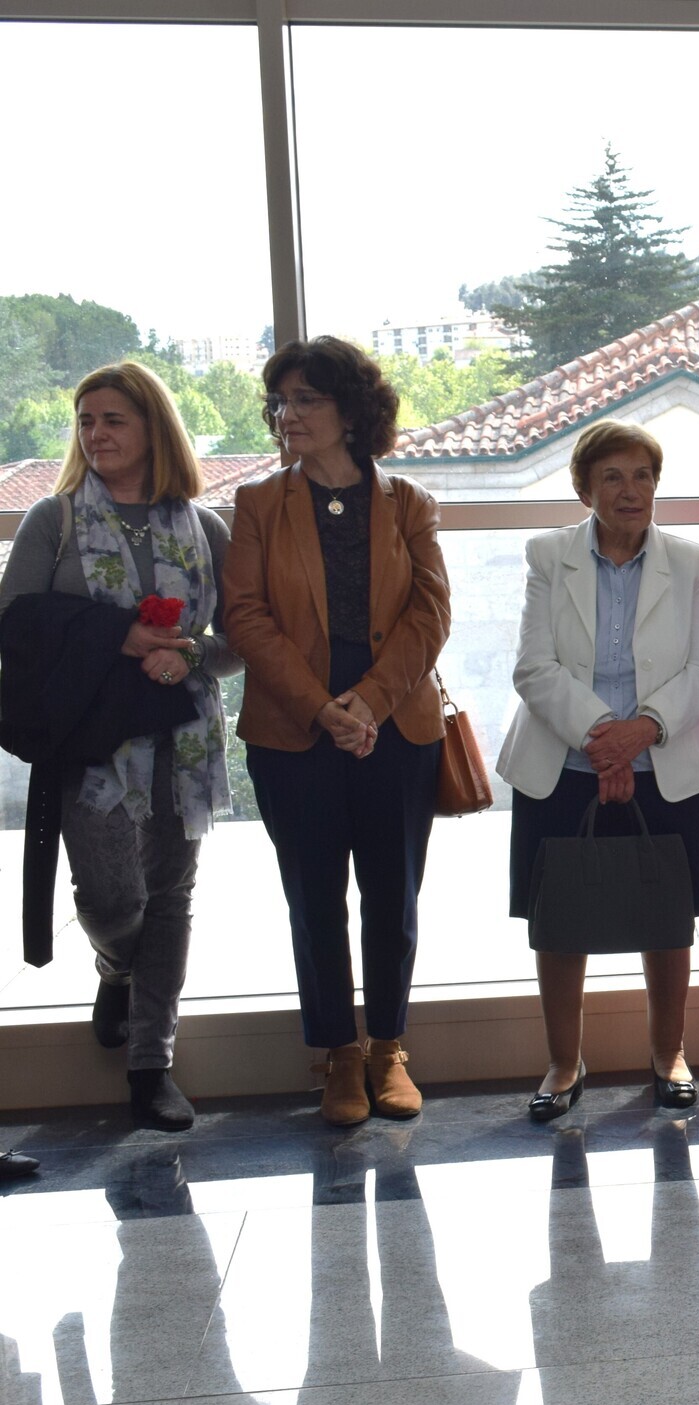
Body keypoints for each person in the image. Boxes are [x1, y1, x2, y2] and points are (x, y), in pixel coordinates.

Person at [0, 364, 241, 1131]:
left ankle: (150, 1065)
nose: (95, 434)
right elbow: (14, 624)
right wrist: (121, 636)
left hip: (182, 738)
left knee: (170, 896)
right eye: (86, 421)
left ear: (153, 428)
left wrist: (190, 654)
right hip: (92, 742)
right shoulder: (56, 519)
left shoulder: (205, 527)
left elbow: (240, 640)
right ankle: (116, 968)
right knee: (111, 899)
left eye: (112, 420)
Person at [223, 337, 451, 1127]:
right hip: (294, 727)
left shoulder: (409, 501)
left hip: (396, 722)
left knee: (393, 893)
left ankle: (388, 1048)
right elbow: (245, 616)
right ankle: (338, 1056)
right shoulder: (258, 503)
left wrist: (370, 704)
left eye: (305, 400)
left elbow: (431, 613)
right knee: (313, 897)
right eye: (279, 401)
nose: (287, 415)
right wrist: (323, 708)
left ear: (351, 411)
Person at [498, 421, 699, 1119]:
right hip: (564, 764)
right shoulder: (549, 555)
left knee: (668, 919)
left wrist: (640, 733)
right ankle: (563, 1064)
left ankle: (669, 1054)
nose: (632, 491)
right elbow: (533, 667)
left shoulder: (689, 560)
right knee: (561, 920)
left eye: (643, 476)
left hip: (667, 761)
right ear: (585, 489)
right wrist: (604, 737)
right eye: (613, 477)